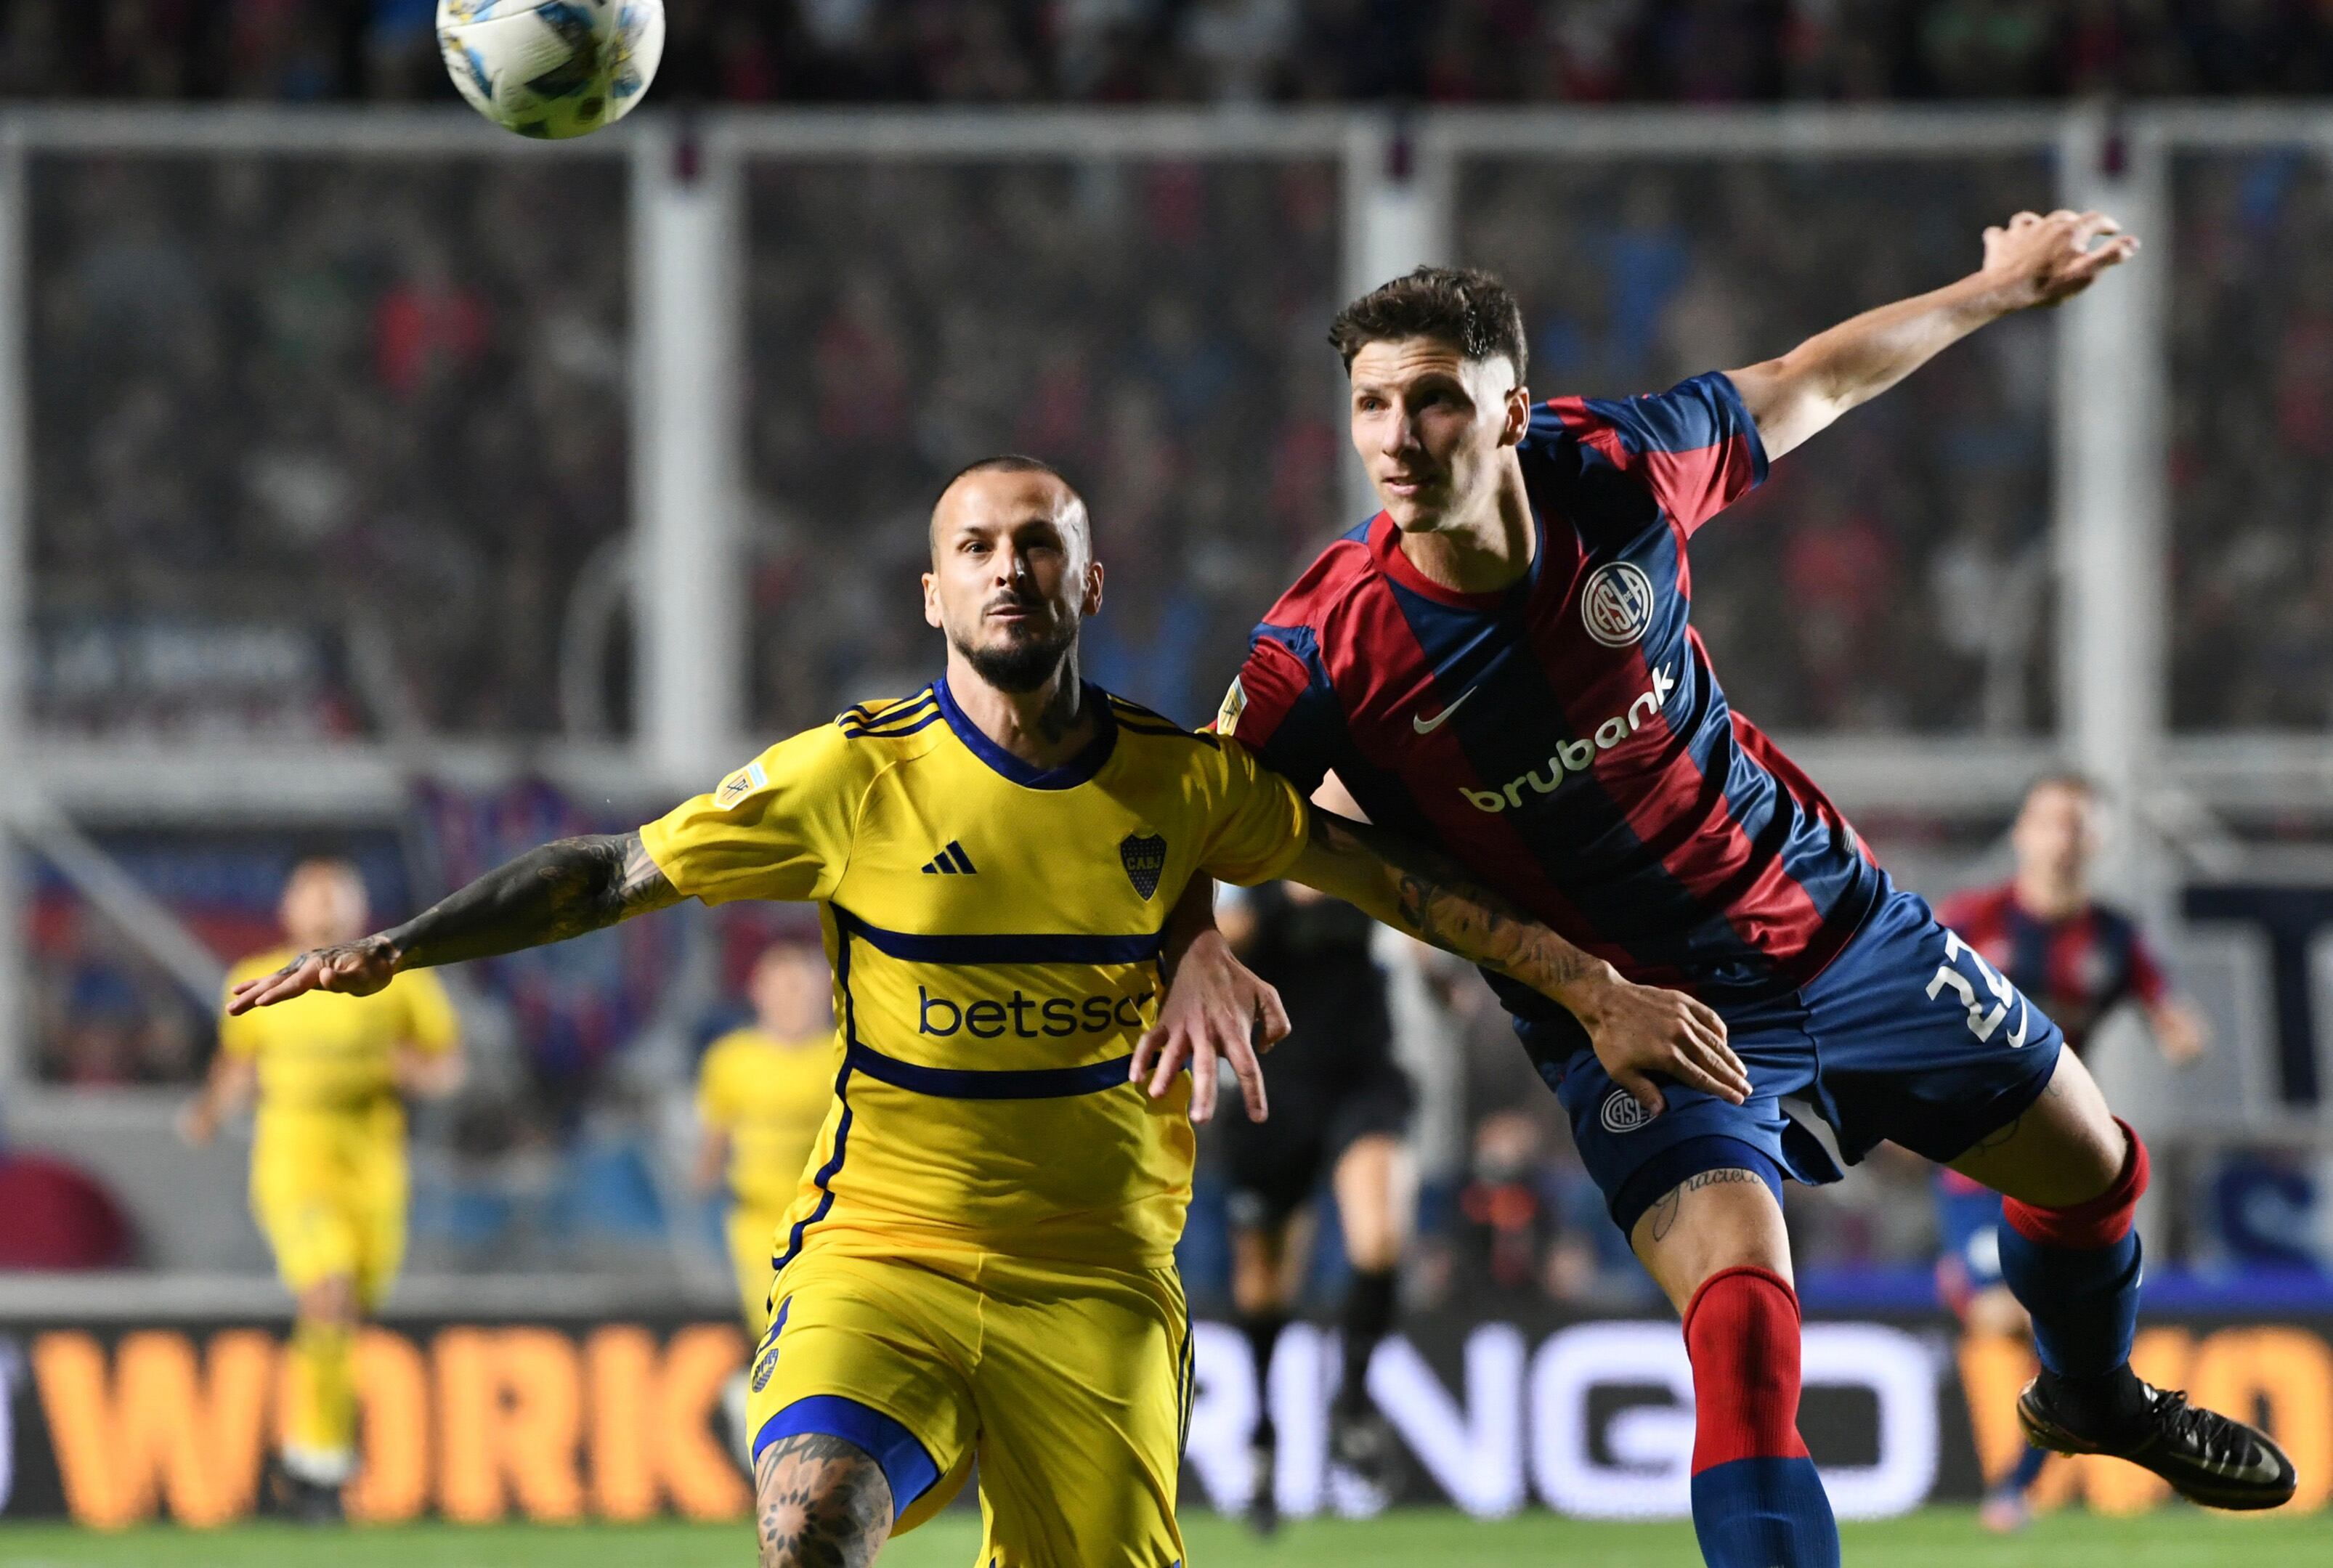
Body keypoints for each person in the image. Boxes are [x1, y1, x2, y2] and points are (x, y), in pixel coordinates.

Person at [229, 457, 1722, 1568]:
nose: (1005, 568)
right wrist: (397, 947)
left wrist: (1591, 986)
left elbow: (1386, 874)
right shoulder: (844, 776)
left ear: (1086, 586)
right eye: (973, 548)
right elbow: (611, 870)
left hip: (1102, 1278)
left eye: (1035, 545)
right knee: (814, 1520)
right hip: (881, 1253)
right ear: (931, 592)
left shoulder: (1180, 784)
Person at [1214, 214, 2295, 1568]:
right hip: (1639, 1015)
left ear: (1508, 410)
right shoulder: (1321, 646)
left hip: (1831, 923)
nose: (1393, 434)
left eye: (1431, 398)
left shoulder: (1613, 467)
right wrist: (1204, 938)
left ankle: (2094, 1391)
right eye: (1371, 402)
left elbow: (1816, 377)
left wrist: (1991, 288)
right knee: (1739, 1329)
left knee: (2092, 1165)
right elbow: (1217, 807)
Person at [1933, 771, 2209, 1532]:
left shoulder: (2113, 939)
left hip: (2054, 1158)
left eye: (2076, 824)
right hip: (1970, 1157)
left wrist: (2179, 1032)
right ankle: (2030, 1455)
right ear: (2021, 831)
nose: (2062, 837)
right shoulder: (1969, 920)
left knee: (2059, 1336)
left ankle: (2012, 1486)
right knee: (2000, 1318)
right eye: (2049, 820)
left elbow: (2172, 1014)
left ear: (2096, 841)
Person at [180, 857, 463, 1524]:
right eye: (314, 897)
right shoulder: (260, 976)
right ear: (290, 910)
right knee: (328, 1291)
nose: (326, 910)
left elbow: (447, 1066)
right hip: (294, 1160)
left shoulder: (397, 976)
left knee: (344, 1315)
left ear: (359, 910)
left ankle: (315, 1461)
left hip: (374, 1168)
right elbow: (238, 1060)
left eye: (338, 899)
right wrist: (210, 1109)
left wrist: (409, 1067)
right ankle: (318, 1462)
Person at [1216, 853, 1415, 1531]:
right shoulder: (1249, 847)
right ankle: (1264, 1434)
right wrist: (1273, 902)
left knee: (1380, 1235)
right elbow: (1220, 939)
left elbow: (1420, 925)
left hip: (1362, 1074)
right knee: (1265, 1284)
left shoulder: (1367, 851)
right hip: (1272, 1084)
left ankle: (1354, 1403)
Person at [694, 938, 840, 1459]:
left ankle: (762, 1407)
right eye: (781, 986)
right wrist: (702, 1181)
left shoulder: (841, 1054)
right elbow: (714, 1140)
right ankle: (773, 1424)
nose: (791, 998)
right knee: (779, 1326)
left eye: (801, 986)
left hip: (829, 1219)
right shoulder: (731, 1060)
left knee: (820, 1332)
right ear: (758, 992)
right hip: (759, 1222)